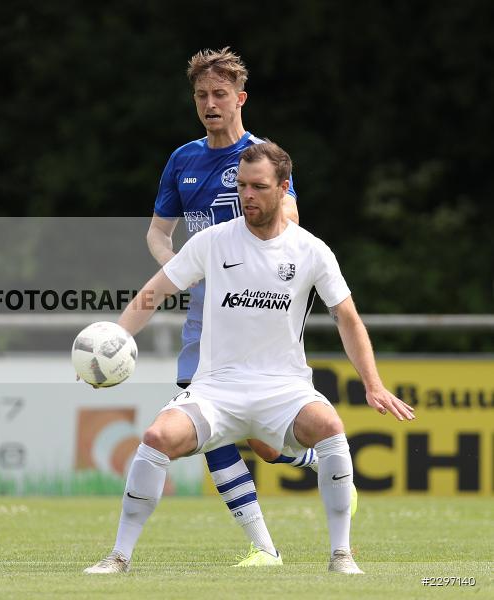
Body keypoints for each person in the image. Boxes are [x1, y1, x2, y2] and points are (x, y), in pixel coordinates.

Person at [86, 142, 415, 575]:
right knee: (155, 438)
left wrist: (373, 384)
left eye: (258, 186)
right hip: (216, 389)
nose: (247, 196)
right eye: (241, 186)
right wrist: (110, 344)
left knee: (332, 428)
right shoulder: (212, 241)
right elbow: (154, 293)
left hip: (284, 390)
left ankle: (342, 555)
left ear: (283, 188)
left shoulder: (311, 250)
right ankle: (119, 557)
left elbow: (348, 319)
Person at [146, 47, 323, 565]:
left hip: (258, 312)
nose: (209, 103)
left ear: (240, 98)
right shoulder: (183, 160)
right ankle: (264, 548)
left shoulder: (260, 157)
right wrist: (181, 267)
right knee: (204, 425)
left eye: (220, 94)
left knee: (268, 444)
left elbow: (288, 217)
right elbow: (158, 233)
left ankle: (324, 459)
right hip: (206, 318)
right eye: (201, 95)